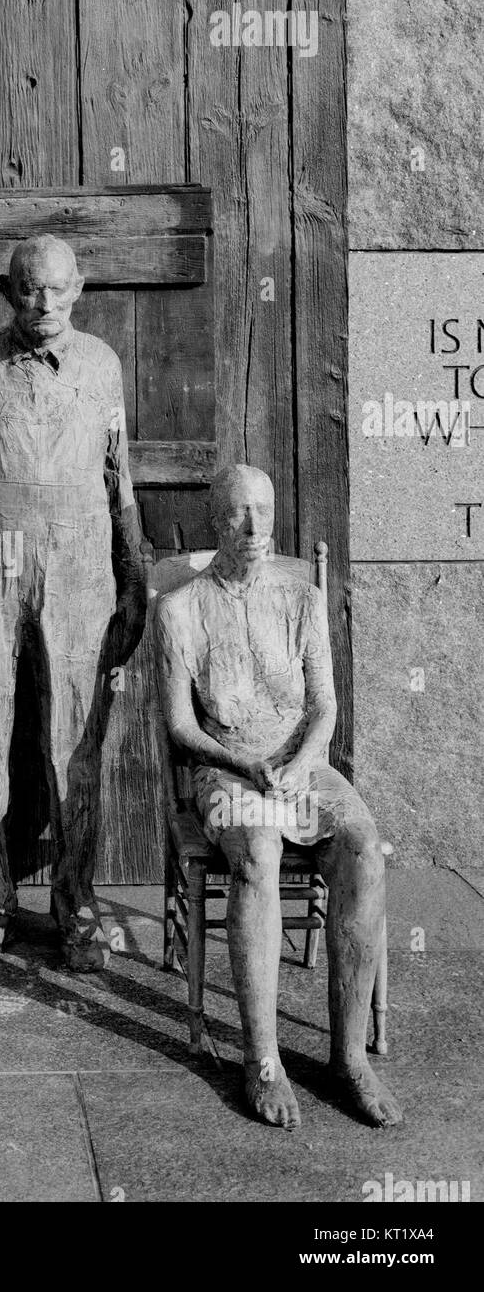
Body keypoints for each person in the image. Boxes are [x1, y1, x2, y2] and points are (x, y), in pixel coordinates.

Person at [0, 235, 150, 970]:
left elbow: (120, 485)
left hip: (79, 576)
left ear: (77, 289)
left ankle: (77, 906)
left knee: (74, 748)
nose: (42, 304)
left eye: (55, 289)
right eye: (27, 289)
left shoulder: (101, 365)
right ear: (6, 290)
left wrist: (135, 576)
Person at [155, 463, 402, 1128]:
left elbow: (323, 706)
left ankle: (348, 1056)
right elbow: (180, 726)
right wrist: (240, 762)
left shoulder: (300, 598)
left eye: (264, 509)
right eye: (239, 512)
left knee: (361, 847)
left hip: (304, 765)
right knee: (258, 852)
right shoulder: (180, 609)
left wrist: (296, 764)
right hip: (226, 770)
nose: (256, 526)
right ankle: (262, 1060)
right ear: (217, 520)